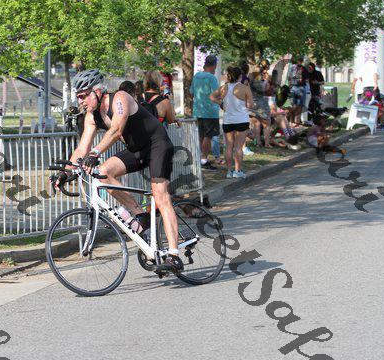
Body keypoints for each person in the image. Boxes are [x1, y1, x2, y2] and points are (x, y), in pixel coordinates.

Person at [57, 69, 182, 273]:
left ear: (97, 92)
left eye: (83, 96)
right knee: (104, 172)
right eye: (78, 97)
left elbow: (116, 130)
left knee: (160, 196)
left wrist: (96, 152)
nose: (81, 101)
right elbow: (82, 147)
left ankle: (174, 255)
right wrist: (66, 171)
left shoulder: (120, 98)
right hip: (136, 150)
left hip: (157, 145)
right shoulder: (91, 116)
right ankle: (140, 214)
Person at [210, 66, 254, 179]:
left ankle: (229, 171)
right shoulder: (245, 88)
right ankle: (237, 171)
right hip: (241, 120)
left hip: (228, 121)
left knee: (229, 146)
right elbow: (251, 105)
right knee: (238, 147)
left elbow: (212, 96)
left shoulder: (224, 87)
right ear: (240, 76)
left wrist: (221, 103)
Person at [190, 55, 220, 170]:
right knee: (208, 136)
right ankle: (203, 159)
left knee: (201, 135)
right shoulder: (212, 78)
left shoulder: (197, 76)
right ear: (214, 65)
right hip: (210, 111)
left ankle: (200, 158)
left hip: (198, 110)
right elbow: (216, 94)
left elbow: (191, 91)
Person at [249, 63, 272, 148]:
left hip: (252, 104)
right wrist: (268, 81)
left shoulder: (250, 81)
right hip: (262, 104)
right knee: (267, 124)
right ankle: (267, 143)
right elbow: (267, 90)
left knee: (256, 123)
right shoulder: (263, 81)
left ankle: (257, 143)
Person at [289, 56, 308, 125]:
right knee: (296, 106)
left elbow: (306, 79)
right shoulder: (294, 68)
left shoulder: (302, 69)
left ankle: (295, 122)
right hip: (297, 88)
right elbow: (289, 78)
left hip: (297, 88)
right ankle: (293, 122)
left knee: (297, 105)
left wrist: (290, 86)